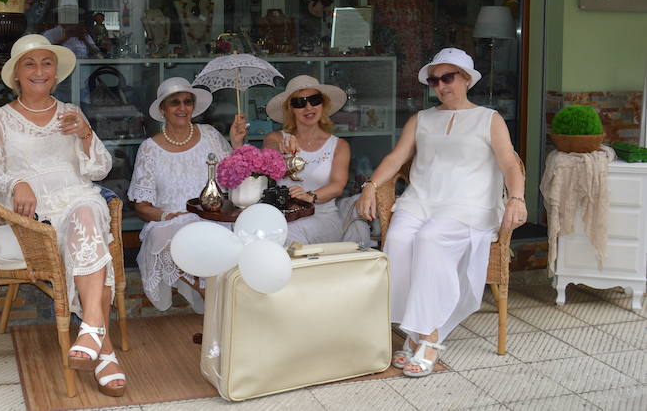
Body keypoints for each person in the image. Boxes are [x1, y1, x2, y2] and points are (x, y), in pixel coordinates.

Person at [356, 47, 526, 378]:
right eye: (434, 81)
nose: (440, 86)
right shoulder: (421, 119)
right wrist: (370, 186)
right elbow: (395, 157)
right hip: (422, 200)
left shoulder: (488, 118)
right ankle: (416, 332)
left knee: (432, 239)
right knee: (400, 240)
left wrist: (516, 197)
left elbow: (508, 160)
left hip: (469, 203)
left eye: (448, 78)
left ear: (466, 79)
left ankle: (430, 337)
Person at [0, 34, 126, 396]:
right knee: (90, 236)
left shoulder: (72, 112)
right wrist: (16, 184)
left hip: (78, 200)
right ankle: (102, 346)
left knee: (89, 213)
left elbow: (101, 170)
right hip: (35, 216)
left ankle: (91, 331)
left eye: (47, 64)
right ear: (16, 75)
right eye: (30, 64)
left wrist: (87, 135)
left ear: (55, 74)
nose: (39, 71)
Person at [128, 77, 247, 312]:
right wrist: (164, 217)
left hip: (212, 215)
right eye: (175, 103)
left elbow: (231, 176)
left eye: (187, 102)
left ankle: (222, 302)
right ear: (163, 109)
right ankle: (212, 296)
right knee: (160, 238)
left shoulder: (210, 134)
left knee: (232, 238)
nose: (182, 108)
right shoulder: (149, 149)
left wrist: (236, 142)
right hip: (173, 219)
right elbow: (141, 204)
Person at [263, 76, 353, 245]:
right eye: (299, 102)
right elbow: (267, 155)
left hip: (322, 217)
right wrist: (281, 148)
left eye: (314, 100)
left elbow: (337, 186)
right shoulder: (275, 138)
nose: (308, 107)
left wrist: (309, 196)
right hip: (282, 217)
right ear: (291, 109)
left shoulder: (339, 145)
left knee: (288, 233)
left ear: (323, 104)